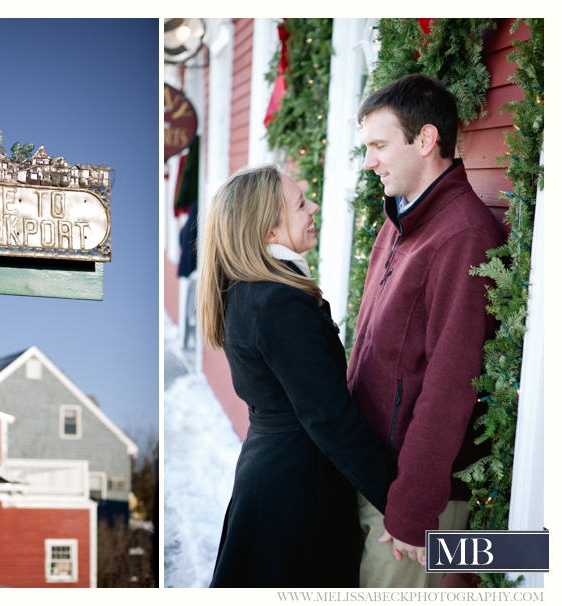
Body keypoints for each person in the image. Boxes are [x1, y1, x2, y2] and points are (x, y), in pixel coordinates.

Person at [198, 164, 392, 588]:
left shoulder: (249, 290)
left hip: (272, 476)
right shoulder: (277, 302)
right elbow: (329, 418)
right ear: (269, 231)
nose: (314, 207)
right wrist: (397, 503)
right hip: (297, 493)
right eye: (301, 203)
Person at [348, 74, 506, 587]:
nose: (369, 161)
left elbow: (451, 384)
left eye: (379, 145)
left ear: (426, 139)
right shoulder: (398, 221)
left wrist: (413, 510)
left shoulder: (464, 235)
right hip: (376, 474)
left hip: (415, 503)